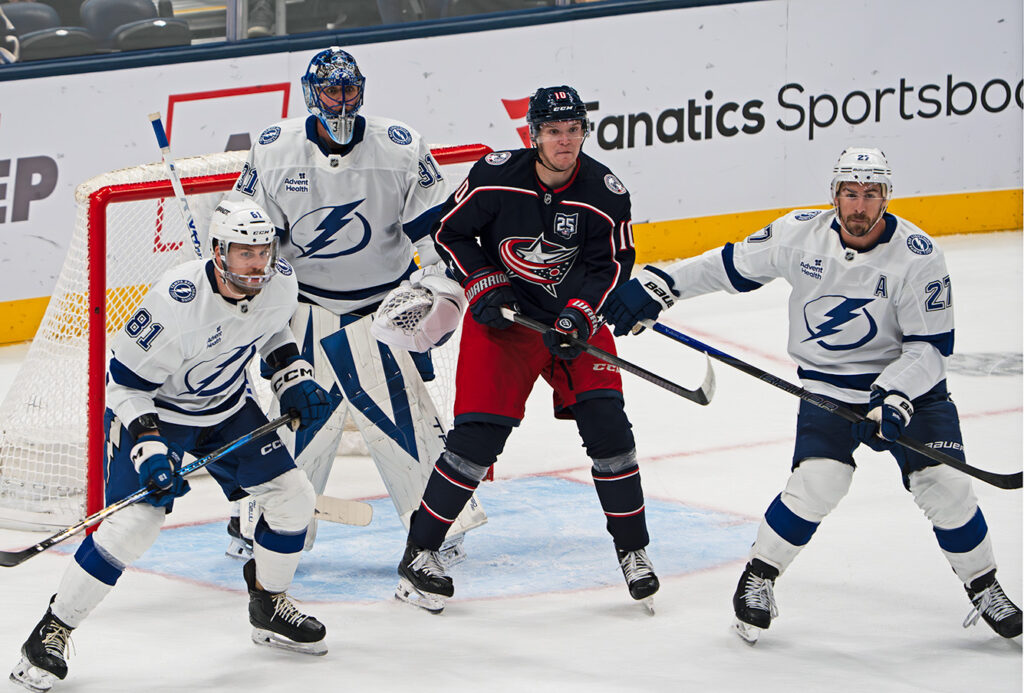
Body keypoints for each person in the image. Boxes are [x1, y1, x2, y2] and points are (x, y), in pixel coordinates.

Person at [603, 146, 1023, 643]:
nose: (859, 206)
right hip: (829, 389)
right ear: (834, 195)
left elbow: (931, 349)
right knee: (819, 482)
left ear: (887, 197)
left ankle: (984, 585)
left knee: (946, 488)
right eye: (850, 194)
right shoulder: (800, 234)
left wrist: (892, 394)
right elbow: (729, 265)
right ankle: (757, 579)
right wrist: (660, 284)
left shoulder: (919, 256)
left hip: (910, 390)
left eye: (871, 194)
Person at [9, 200, 334, 692]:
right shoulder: (175, 302)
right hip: (155, 414)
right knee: (134, 525)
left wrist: (293, 377)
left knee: (294, 500)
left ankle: (268, 604)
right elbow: (123, 385)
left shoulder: (281, 280)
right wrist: (151, 450)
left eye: (263, 250)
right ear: (219, 252)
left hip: (226, 408)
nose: (258, 263)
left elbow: (270, 332)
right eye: (245, 252)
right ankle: (51, 632)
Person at [394, 84, 659, 614]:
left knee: (610, 433)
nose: (566, 141)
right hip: (505, 326)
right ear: (533, 134)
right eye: (554, 131)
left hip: (573, 325)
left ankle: (634, 552)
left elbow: (610, 264)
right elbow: (449, 232)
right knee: (474, 443)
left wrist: (580, 312)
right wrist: (484, 281)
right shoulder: (495, 174)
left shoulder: (606, 191)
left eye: (574, 130)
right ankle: (420, 553)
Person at [224, 46, 485, 561]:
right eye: (330, 90)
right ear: (310, 93)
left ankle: (437, 526)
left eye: (349, 89)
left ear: (361, 90)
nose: (341, 101)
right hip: (307, 309)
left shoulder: (401, 146)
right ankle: (267, 524)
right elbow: (255, 236)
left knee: (403, 419)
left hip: (384, 311)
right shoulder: (275, 149)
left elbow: (436, 233)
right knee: (298, 421)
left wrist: (436, 285)